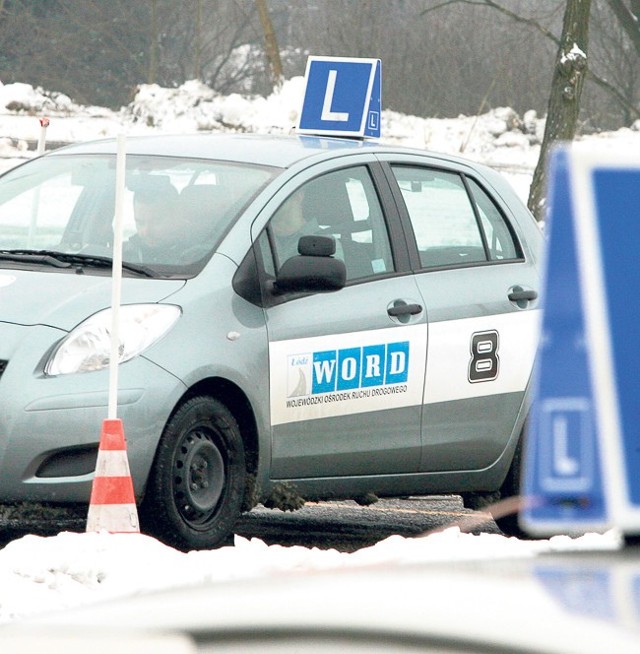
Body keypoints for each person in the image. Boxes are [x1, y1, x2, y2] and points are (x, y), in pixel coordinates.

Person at [124, 181, 185, 264]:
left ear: (177, 217)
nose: (146, 232)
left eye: (156, 223)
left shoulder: (198, 258)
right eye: (140, 223)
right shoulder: (120, 256)